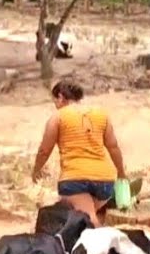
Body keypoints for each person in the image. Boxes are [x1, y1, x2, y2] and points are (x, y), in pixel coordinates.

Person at [30, 79, 128, 227]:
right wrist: (121, 173)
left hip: (75, 180)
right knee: (85, 218)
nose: (56, 105)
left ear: (61, 97)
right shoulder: (101, 114)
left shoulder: (58, 117)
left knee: (90, 220)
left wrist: (36, 170)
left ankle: (105, 247)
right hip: (105, 182)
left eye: (55, 101)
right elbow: (113, 147)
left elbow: (44, 150)